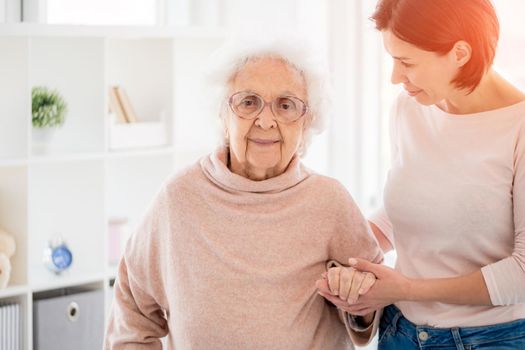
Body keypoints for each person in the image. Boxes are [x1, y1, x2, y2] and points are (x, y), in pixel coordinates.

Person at [104, 38, 383, 350]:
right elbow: (132, 311)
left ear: (307, 122)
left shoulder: (330, 201)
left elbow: (374, 310)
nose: (265, 121)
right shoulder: (179, 197)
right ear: (223, 115)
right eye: (248, 102)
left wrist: (357, 300)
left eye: (286, 105)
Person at [317, 0, 525, 348]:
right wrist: (350, 259)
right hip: (401, 331)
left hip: (491, 339)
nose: (396, 77)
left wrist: (406, 287)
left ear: (460, 53)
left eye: (407, 62)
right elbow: (416, 204)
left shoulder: (518, 129)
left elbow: (523, 272)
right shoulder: (409, 107)